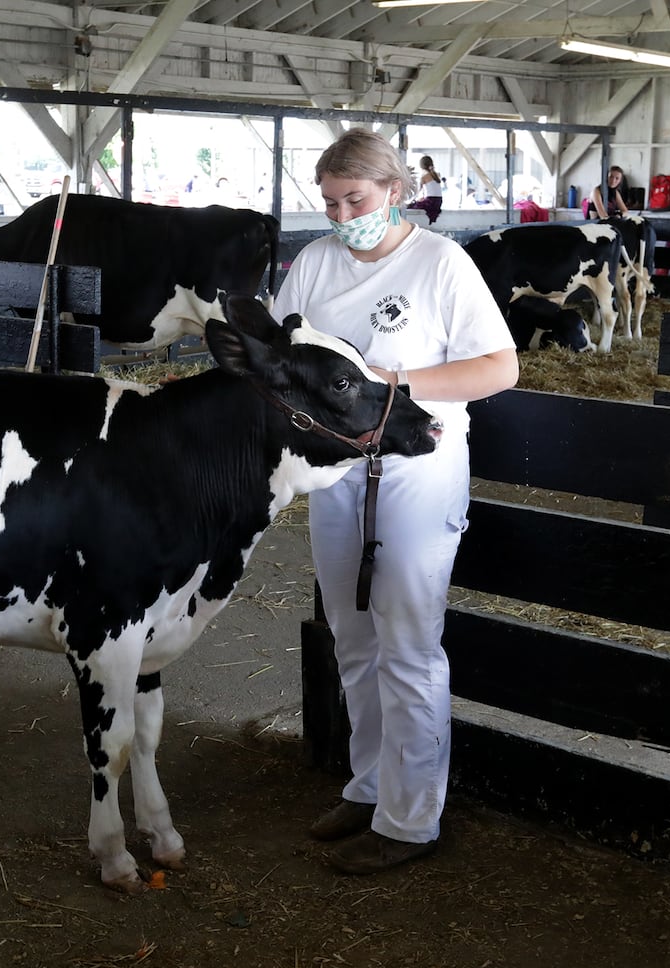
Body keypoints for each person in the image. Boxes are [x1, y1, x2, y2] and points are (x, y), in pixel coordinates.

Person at [271, 127, 518, 876]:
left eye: (357, 198)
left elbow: (499, 368)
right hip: (335, 472)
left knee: (407, 643)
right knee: (352, 636)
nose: (344, 214)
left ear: (395, 191)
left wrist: (392, 388)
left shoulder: (441, 262)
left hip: (416, 468)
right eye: (331, 201)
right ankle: (369, 784)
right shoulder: (314, 261)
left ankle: (411, 820)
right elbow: (284, 354)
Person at [405, 155, 443, 223]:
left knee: (411, 206)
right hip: (438, 201)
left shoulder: (424, 177)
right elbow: (433, 191)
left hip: (431, 202)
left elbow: (417, 192)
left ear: (421, 166)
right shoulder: (437, 175)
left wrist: (412, 201)